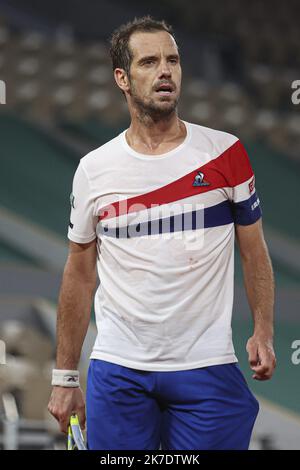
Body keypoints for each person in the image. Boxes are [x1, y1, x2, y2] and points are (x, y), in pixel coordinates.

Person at [48, 15, 276, 450]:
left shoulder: (226, 153)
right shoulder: (94, 170)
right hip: (120, 369)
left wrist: (263, 330)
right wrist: (64, 376)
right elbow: (79, 274)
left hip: (207, 366)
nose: (165, 71)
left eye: (173, 60)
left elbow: (254, 251)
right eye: (149, 62)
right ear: (123, 78)